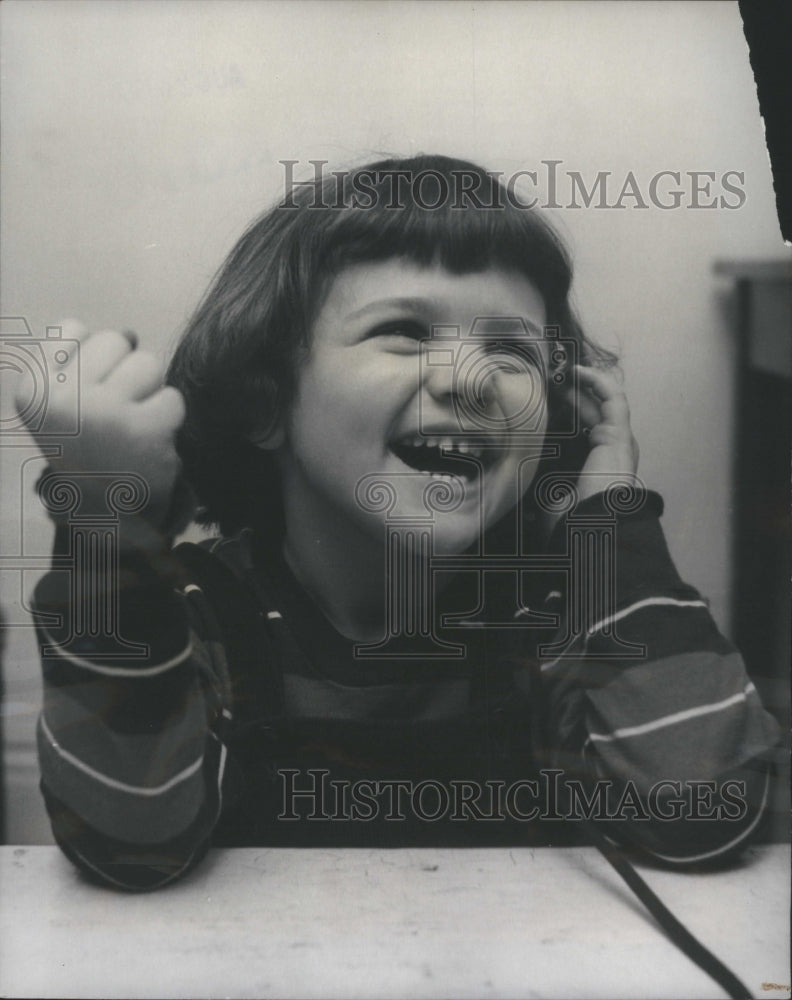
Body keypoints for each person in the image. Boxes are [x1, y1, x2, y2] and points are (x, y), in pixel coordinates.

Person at [23, 155, 780, 891]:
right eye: (407, 333)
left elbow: (700, 812)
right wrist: (105, 519)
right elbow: (128, 846)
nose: (471, 380)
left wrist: (606, 524)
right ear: (263, 402)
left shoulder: (560, 617)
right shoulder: (198, 617)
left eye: (512, 351)